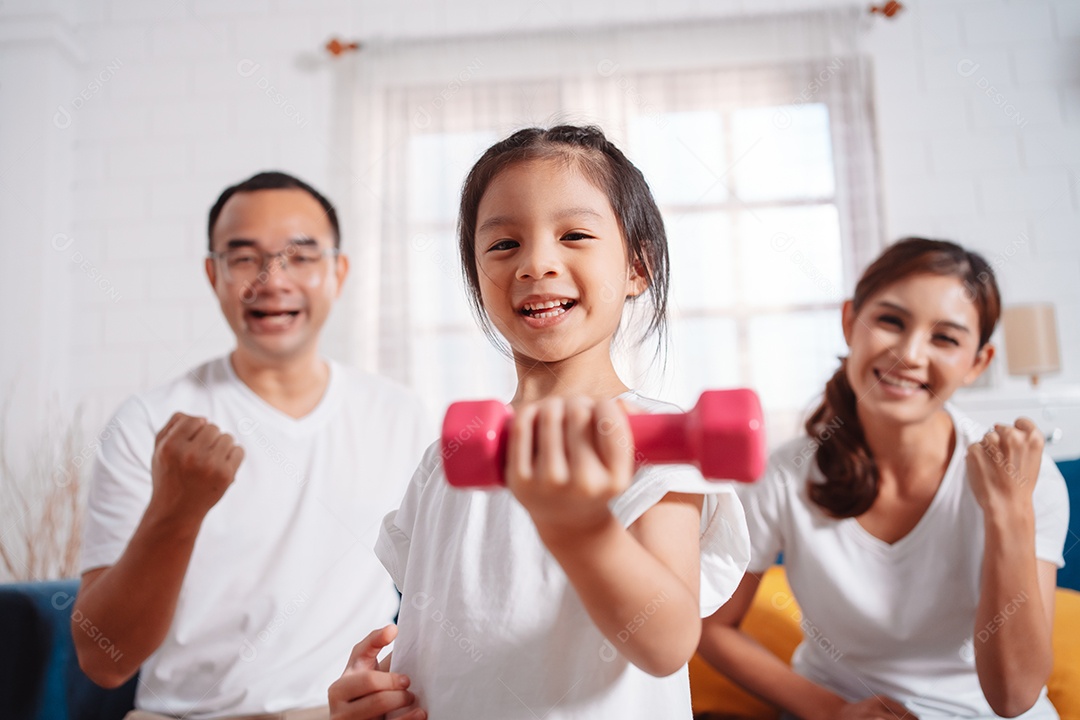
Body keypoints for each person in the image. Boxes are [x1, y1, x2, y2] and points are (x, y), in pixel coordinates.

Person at [328, 125, 751, 720]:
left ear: (637, 266)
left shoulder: (661, 442)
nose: (536, 263)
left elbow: (666, 642)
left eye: (574, 234)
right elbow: (439, 645)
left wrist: (579, 529)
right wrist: (372, 697)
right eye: (503, 245)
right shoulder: (447, 458)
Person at [73, 171, 431, 720]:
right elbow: (105, 660)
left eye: (301, 256)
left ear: (338, 272)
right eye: (244, 259)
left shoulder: (402, 416)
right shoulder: (147, 424)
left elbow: (448, 596)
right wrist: (178, 508)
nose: (272, 279)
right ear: (213, 274)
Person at [697, 238, 1070, 720]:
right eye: (891, 321)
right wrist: (830, 710)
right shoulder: (783, 475)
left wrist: (1009, 512)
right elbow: (711, 625)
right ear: (851, 321)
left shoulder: (1027, 481)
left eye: (946, 338)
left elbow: (1014, 696)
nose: (909, 354)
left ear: (977, 362)